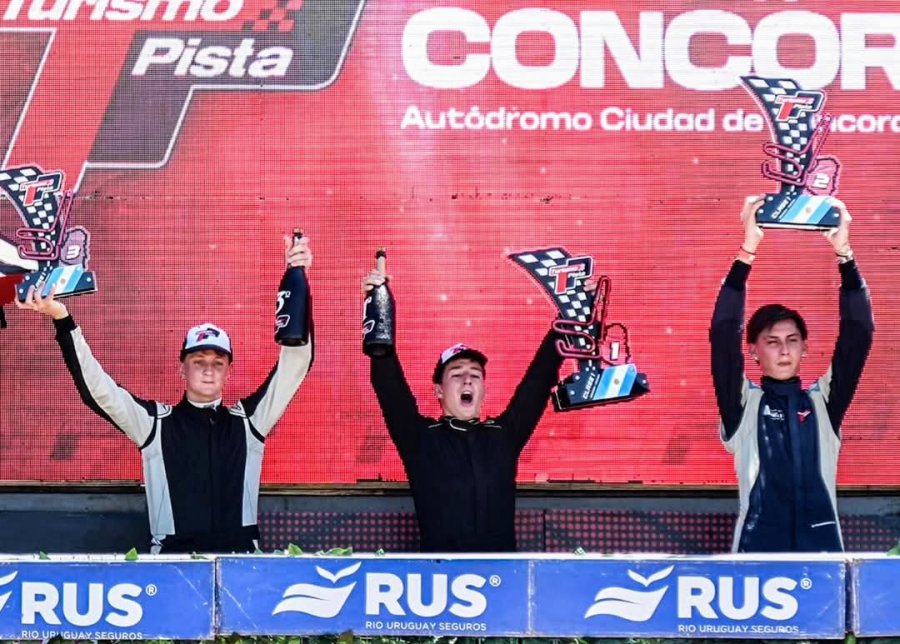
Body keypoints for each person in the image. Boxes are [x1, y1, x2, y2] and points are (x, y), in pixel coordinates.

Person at [17, 235, 314, 553]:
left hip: (241, 564)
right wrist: (63, 320)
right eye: (198, 361)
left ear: (229, 371)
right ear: (182, 369)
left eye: (218, 362)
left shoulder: (249, 421)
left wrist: (298, 280)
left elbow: (295, 365)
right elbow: (98, 390)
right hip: (172, 566)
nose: (208, 370)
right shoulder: (156, 424)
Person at [361, 267, 585, 553]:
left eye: (475, 375)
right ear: (439, 390)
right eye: (456, 373)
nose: (467, 379)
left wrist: (570, 313)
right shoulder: (421, 439)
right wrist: (376, 307)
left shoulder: (502, 436)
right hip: (441, 581)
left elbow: (538, 381)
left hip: (502, 579)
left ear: (483, 390)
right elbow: (388, 384)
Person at [710, 196, 874, 552]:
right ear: (753, 349)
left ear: (804, 347)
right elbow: (723, 337)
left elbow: (858, 335)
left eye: (792, 340)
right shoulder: (743, 406)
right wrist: (748, 250)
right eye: (772, 341)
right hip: (758, 554)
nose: (784, 349)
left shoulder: (823, 403)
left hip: (824, 550)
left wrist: (844, 253)